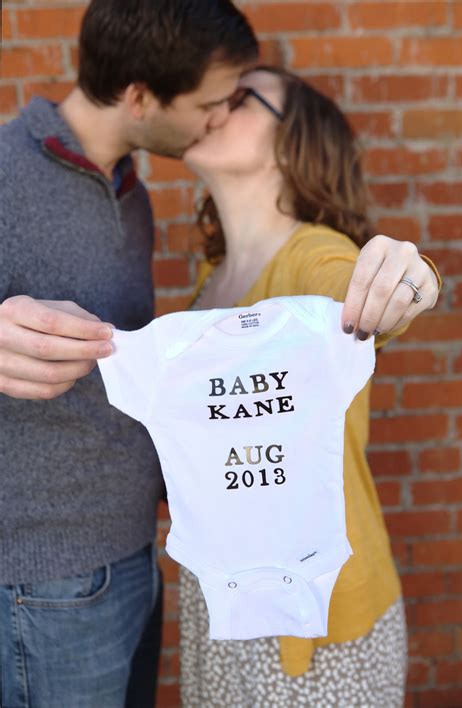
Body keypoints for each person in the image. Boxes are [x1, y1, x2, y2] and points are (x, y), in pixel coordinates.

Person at [0, 1, 258, 706]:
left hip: (136, 555)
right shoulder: (5, 174)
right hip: (45, 585)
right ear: (140, 96)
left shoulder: (128, 189)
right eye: (210, 103)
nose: (220, 117)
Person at [177, 66, 441, 707]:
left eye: (242, 98)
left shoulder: (314, 256)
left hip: (317, 625)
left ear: (293, 144)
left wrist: (408, 279)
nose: (216, 105)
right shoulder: (210, 281)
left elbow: (358, 293)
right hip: (221, 613)